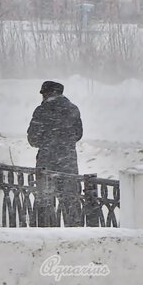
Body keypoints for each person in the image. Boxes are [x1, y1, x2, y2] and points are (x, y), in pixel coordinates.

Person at [27, 80, 83, 226]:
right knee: (71, 202)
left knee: (45, 202)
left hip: (46, 164)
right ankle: (76, 235)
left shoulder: (42, 110)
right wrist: (64, 144)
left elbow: (33, 139)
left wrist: (48, 143)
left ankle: (47, 234)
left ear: (46, 94)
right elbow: (78, 134)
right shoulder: (73, 109)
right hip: (68, 163)